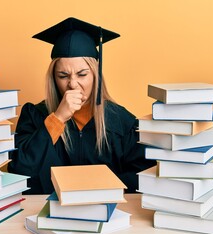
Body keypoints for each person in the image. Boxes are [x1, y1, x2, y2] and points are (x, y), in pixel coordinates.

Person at [8, 17, 155, 194]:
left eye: (82, 74)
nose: (73, 84)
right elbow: (19, 170)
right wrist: (58, 118)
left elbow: (143, 176)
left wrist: (98, 189)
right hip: (48, 213)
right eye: (63, 76)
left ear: (95, 75)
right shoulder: (35, 115)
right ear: (53, 79)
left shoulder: (121, 121)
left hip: (104, 211)